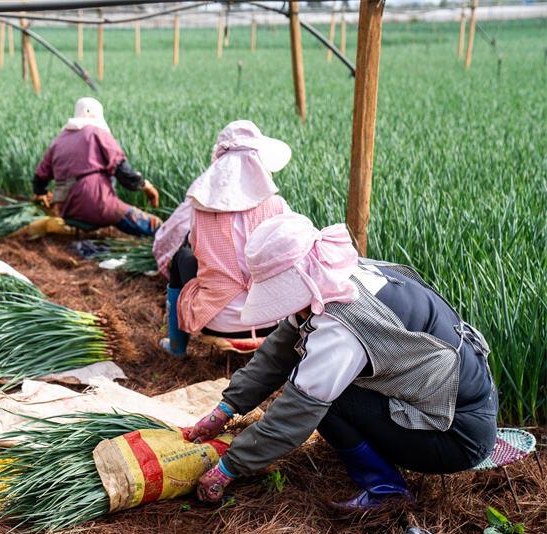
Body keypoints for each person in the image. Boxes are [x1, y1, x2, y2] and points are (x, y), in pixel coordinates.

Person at [188, 212, 498, 510]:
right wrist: (226, 408)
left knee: (328, 401)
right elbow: (282, 346)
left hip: (456, 433)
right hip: (461, 403)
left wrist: (227, 469)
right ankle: (376, 459)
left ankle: (386, 489)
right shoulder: (336, 276)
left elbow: (293, 417)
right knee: (321, 384)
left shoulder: (340, 327)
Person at [159, 120, 292, 358]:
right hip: (272, 318)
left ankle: (177, 347)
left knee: (183, 257)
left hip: (217, 319)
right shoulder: (277, 206)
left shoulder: (201, 210)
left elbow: (196, 249)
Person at [32, 97, 161, 237]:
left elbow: (39, 179)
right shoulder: (97, 133)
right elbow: (123, 171)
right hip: (96, 202)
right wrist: (146, 186)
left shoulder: (58, 141)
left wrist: (42, 193)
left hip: (66, 208)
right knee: (155, 226)